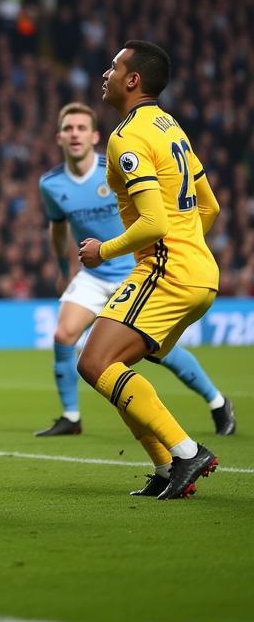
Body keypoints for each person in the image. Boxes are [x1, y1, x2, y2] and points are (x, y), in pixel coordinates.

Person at [36, 103, 234, 438]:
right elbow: (58, 230)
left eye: (81, 128)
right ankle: (71, 416)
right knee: (63, 335)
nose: (75, 134)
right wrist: (61, 269)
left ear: (94, 135)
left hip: (134, 269)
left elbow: (154, 213)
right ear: (58, 136)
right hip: (94, 273)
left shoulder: (115, 165)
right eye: (68, 128)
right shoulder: (51, 184)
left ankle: (216, 401)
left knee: (158, 353)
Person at [77, 41, 221, 500]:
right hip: (200, 271)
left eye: (114, 67)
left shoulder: (127, 136)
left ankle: (185, 453)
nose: (106, 73)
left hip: (168, 269)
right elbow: (210, 206)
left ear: (132, 79)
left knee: (94, 362)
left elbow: (155, 223)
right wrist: (190, 247)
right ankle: (165, 468)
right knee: (111, 367)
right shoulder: (170, 126)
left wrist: (104, 250)